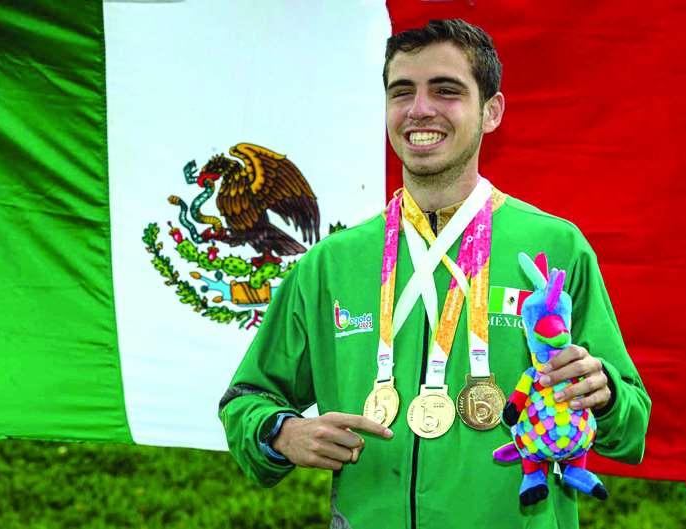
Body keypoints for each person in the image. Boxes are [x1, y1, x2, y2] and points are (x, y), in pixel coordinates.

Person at [218, 18, 651, 529]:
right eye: (402, 92)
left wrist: (604, 394)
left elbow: (631, 425)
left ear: (491, 111)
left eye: (446, 91)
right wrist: (281, 432)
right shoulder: (331, 263)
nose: (419, 109)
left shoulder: (556, 248)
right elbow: (247, 399)